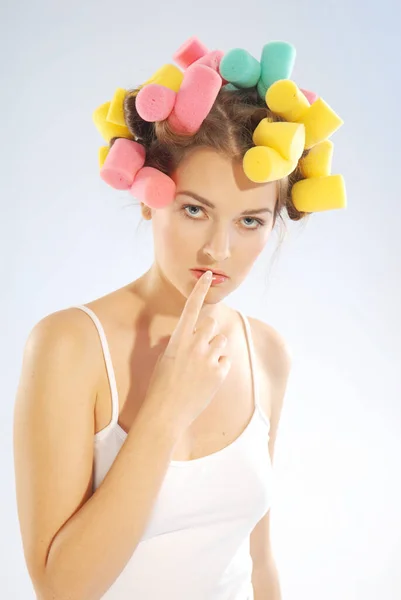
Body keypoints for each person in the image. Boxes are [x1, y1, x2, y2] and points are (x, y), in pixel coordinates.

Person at [13, 37, 346, 600]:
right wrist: (166, 412)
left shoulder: (266, 353)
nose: (218, 250)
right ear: (148, 195)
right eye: (195, 209)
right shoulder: (69, 346)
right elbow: (60, 588)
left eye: (249, 222)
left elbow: (259, 563)